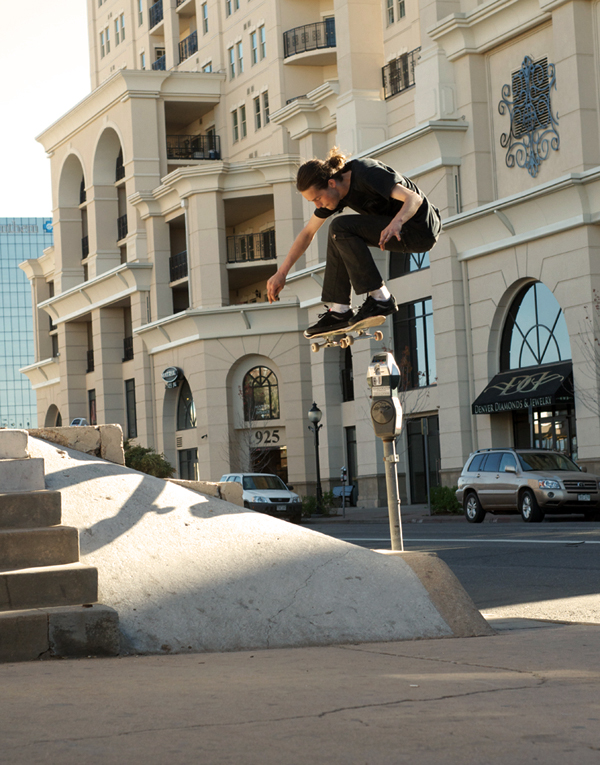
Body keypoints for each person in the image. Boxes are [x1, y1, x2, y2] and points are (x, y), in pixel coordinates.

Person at [266, 148, 442, 338]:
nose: (318, 205)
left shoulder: (367, 173)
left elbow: (414, 198)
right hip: (401, 231)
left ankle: (381, 298)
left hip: (420, 228)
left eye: (317, 198)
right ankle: (339, 310)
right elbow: (308, 233)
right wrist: (281, 273)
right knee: (337, 233)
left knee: (340, 227)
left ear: (331, 183)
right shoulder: (336, 194)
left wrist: (396, 222)